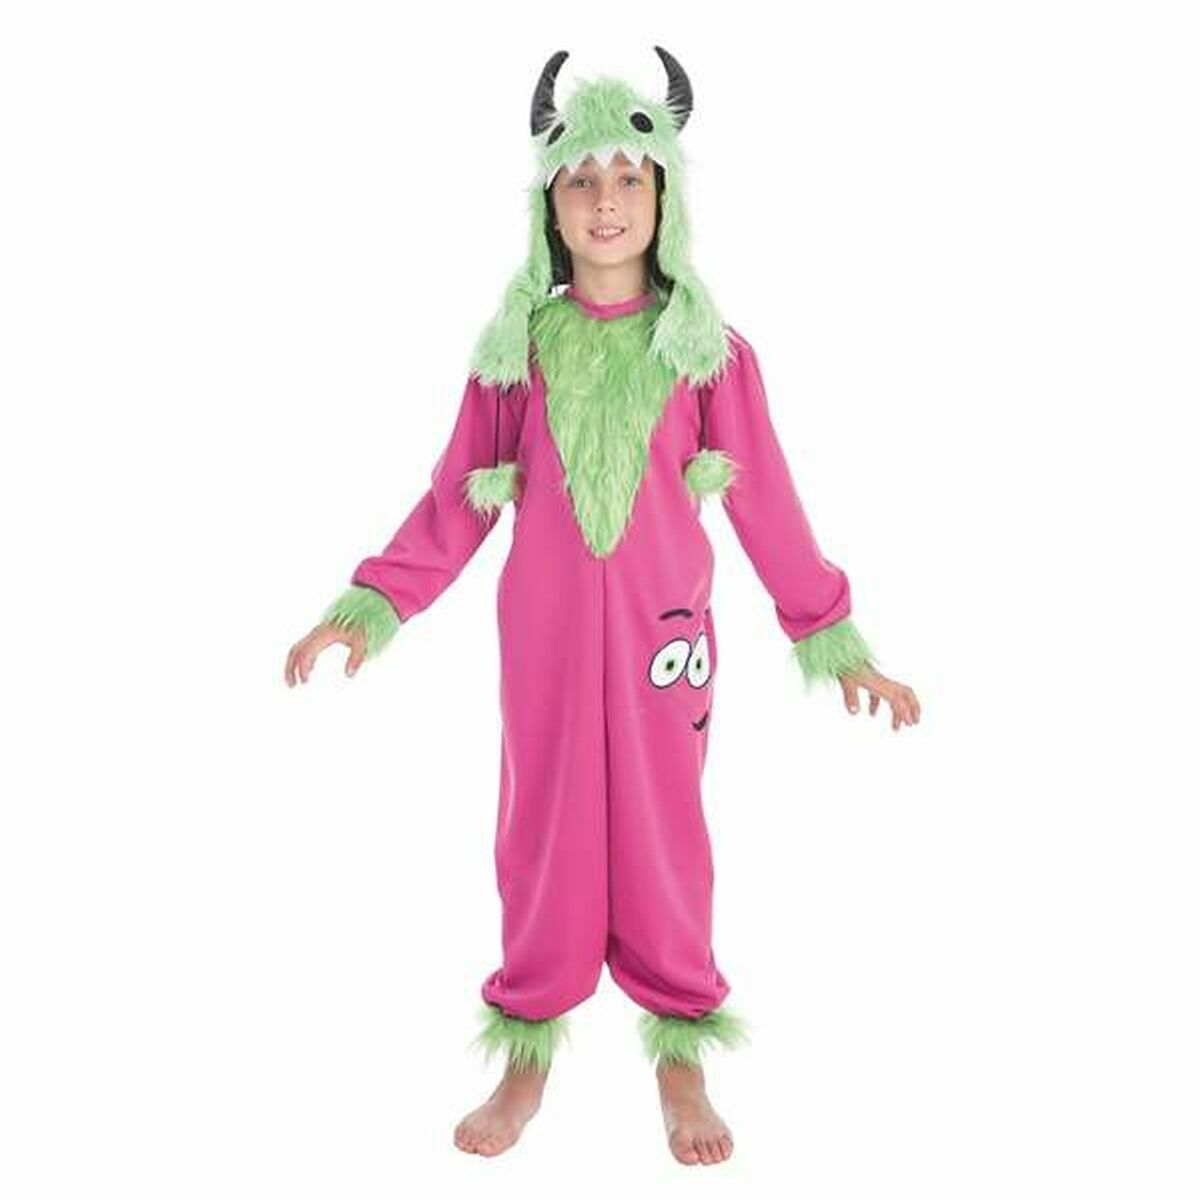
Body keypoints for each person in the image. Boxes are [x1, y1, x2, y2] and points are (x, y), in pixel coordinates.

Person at [284, 47, 920, 1166]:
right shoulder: (519, 350)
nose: (607, 200)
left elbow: (768, 505)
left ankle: (681, 1049)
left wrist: (832, 635)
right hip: (545, 647)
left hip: (667, 648)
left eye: (630, 177)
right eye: (581, 180)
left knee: (667, 830)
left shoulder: (709, 355)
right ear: (550, 205)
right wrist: (372, 603)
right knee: (542, 833)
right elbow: (456, 498)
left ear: (666, 199)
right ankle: (526, 1048)